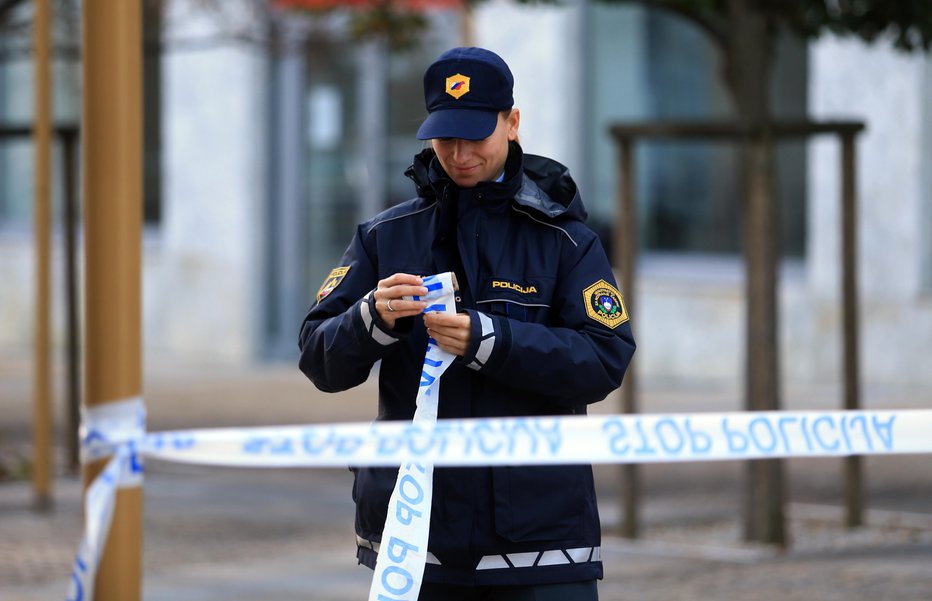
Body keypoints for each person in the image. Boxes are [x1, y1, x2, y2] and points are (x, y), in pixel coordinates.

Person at [298, 46, 635, 601]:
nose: (459, 154)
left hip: (543, 547)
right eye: (444, 137)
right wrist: (372, 319)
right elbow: (318, 358)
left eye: (476, 135)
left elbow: (605, 359)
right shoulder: (385, 236)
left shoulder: (566, 239)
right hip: (415, 544)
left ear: (513, 123)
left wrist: (491, 342)